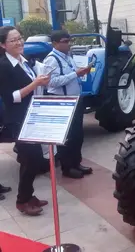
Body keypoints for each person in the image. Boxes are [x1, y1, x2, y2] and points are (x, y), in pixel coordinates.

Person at [0, 26, 51, 215]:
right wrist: (35, 83)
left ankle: (29, 195)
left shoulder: (24, 61)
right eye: (13, 40)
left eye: (20, 38)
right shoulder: (3, 66)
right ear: (3, 45)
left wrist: (41, 82)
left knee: (34, 159)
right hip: (19, 120)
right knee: (30, 160)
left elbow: (32, 85)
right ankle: (22, 200)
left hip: (32, 116)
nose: (19, 42)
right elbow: (11, 97)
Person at [43, 30, 92, 179]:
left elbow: (71, 75)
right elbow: (51, 82)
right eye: (65, 41)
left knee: (78, 135)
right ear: (55, 43)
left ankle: (76, 162)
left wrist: (81, 72)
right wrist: (75, 74)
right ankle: (67, 167)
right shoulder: (51, 60)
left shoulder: (67, 57)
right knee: (67, 136)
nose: (68, 44)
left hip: (75, 99)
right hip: (62, 101)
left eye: (69, 41)